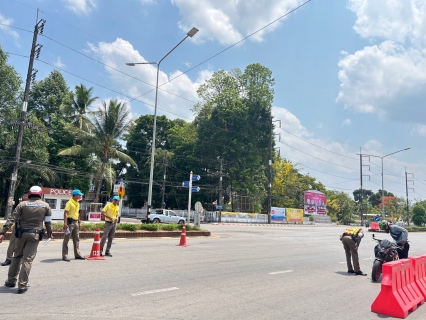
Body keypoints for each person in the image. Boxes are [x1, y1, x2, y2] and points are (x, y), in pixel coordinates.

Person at [0, 186, 52, 294]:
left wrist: (2, 232)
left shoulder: (22, 204)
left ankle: (11, 281)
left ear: (29, 194)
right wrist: (49, 234)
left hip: (21, 234)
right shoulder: (46, 206)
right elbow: (48, 223)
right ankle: (22, 286)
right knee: (27, 260)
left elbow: (12, 218)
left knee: (17, 256)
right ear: (40, 194)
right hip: (35, 236)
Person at [1, 191, 29, 266]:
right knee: (12, 244)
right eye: (23, 195)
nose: (23, 197)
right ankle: (8, 259)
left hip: (27, 229)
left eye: (25, 196)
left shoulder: (33, 206)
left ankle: (22, 260)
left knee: (24, 245)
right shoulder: (20, 205)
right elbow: (13, 217)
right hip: (18, 227)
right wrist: (4, 231)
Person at [62, 189, 85, 261]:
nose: (80, 196)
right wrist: (65, 224)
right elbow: (65, 213)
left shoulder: (77, 203)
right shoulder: (69, 203)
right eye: (79, 195)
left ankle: (77, 255)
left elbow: (77, 213)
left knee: (77, 239)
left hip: (75, 223)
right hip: (70, 222)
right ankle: (65, 255)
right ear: (75, 195)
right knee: (66, 239)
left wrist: (79, 222)